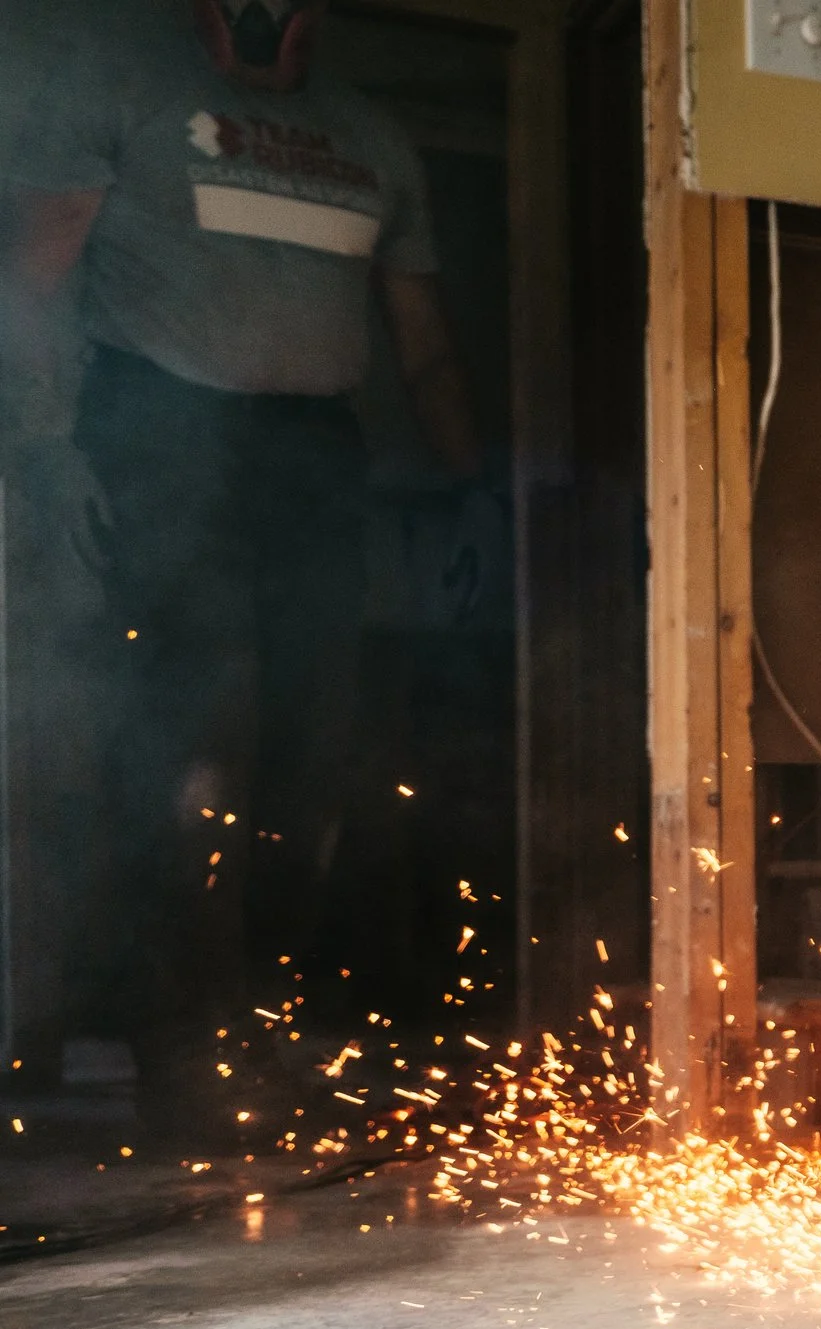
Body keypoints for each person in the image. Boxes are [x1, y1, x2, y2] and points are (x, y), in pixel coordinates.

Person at [0, 0, 484, 1135]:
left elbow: (420, 336)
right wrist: (43, 444)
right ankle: (172, 1042)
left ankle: (254, 1017)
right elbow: (33, 282)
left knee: (309, 748)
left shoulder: (369, 136)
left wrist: (478, 490)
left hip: (312, 452)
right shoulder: (119, 85)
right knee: (196, 739)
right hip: (161, 432)